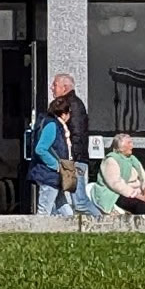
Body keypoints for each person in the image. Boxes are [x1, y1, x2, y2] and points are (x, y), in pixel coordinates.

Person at [28, 97, 101, 218]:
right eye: (69, 113)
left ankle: (71, 229)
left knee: (63, 207)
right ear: (63, 114)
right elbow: (40, 149)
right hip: (49, 175)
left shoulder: (55, 124)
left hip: (55, 176)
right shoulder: (51, 125)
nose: (70, 116)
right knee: (44, 210)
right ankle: (38, 233)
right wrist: (56, 166)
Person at [50, 73, 92, 213]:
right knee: (59, 198)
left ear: (65, 87)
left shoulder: (73, 105)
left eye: (55, 85)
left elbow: (77, 134)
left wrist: (70, 158)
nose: (52, 88)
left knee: (80, 202)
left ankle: (101, 225)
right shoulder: (67, 104)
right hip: (70, 159)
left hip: (75, 160)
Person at [91, 133, 145, 216]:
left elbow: (143, 177)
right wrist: (136, 195)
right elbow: (116, 184)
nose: (132, 146)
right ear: (120, 148)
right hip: (116, 194)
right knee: (142, 207)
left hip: (136, 192)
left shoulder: (133, 159)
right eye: (129, 143)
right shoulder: (111, 160)